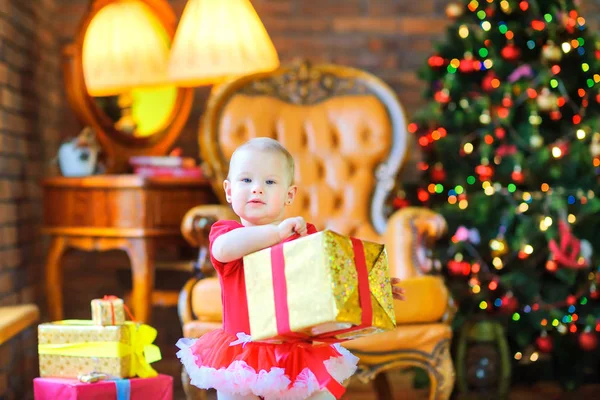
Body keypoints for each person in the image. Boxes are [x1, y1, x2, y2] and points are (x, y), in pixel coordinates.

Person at [177, 138, 405, 400]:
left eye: (270, 182)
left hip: (293, 351)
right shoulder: (228, 233)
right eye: (246, 180)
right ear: (229, 191)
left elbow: (327, 279)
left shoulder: (301, 237)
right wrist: (275, 233)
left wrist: (371, 286)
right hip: (240, 353)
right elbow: (223, 250)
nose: (257, 189)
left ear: (289, 194)